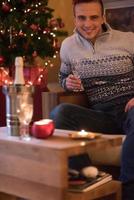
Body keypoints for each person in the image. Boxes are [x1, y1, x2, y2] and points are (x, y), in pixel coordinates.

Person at [50, 0, 134, 199]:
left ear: (103, 17)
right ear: (75, 18)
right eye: (82, 18)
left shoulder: (129, 40)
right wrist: (67, 83)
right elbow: (63, 77)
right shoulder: (68, 46)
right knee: (59, 114)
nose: (88, 24)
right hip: (101, 115)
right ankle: (90, 179)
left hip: (130, 109)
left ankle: (127, 191)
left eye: (94, 17)